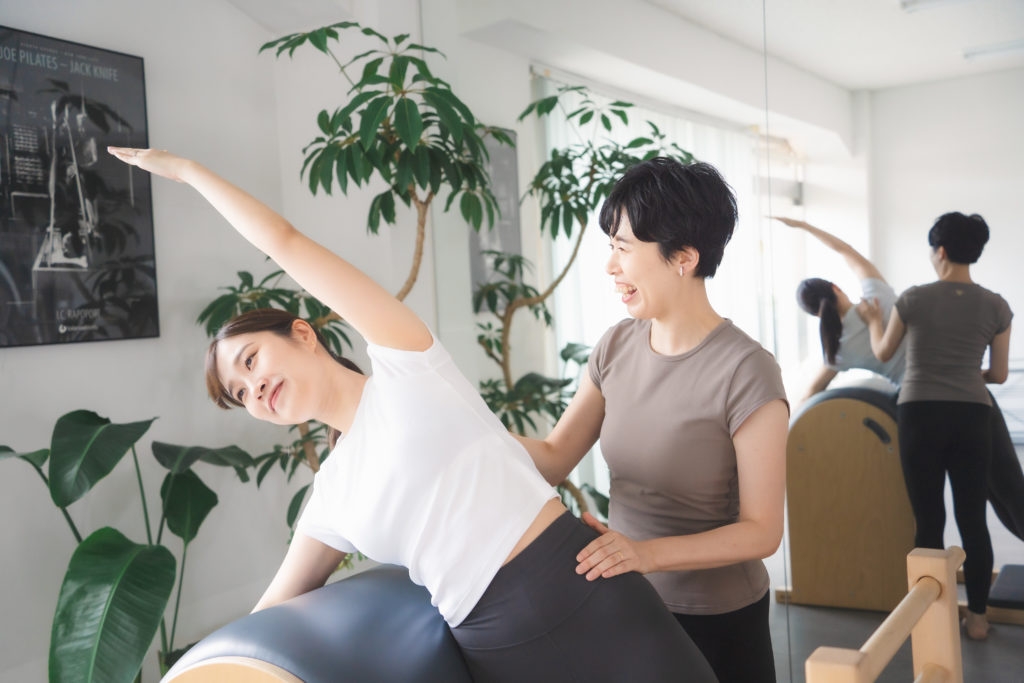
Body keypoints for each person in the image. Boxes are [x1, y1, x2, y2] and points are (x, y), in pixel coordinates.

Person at [108, 147, 716, 682]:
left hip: (586, 597)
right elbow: (267, 614)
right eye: (239, 394)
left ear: (303, 334)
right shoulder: (331, 494)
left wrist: (189, 172)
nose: (253, 387)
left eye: (250, 360)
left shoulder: (408, 365)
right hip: (495, 649)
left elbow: (285, 242)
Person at [515, 158, 788, 683]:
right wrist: (465, 430)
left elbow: (762, 532)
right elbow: (552, 458)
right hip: (629, 602)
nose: (610, 266)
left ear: (684, 257)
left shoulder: (747, 369)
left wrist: (644, 554)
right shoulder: (616, 345)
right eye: (611, 247)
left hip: (719, 622)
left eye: (623, 248)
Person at [778, 216, 1024, 545]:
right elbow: (846, 251)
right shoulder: (877, 297)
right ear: (836, 288)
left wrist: (786, 430)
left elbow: (814, 389)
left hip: (919, 410)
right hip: (969, 402)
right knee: (1006, 494)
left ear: (815, 314)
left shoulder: (837, 352)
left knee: (939, 516)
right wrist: (804, 227)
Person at [859, 212, 1012, 640]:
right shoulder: (996, 305)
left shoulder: (913, 299)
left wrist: (873, 321)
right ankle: (977, 619)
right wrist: (967, 376)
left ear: (940, 251)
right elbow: (999, 374)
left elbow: (883, 351)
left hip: (920, 413)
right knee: (972, 519)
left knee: (928, 520)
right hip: (972, 416)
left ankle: (929, 618)